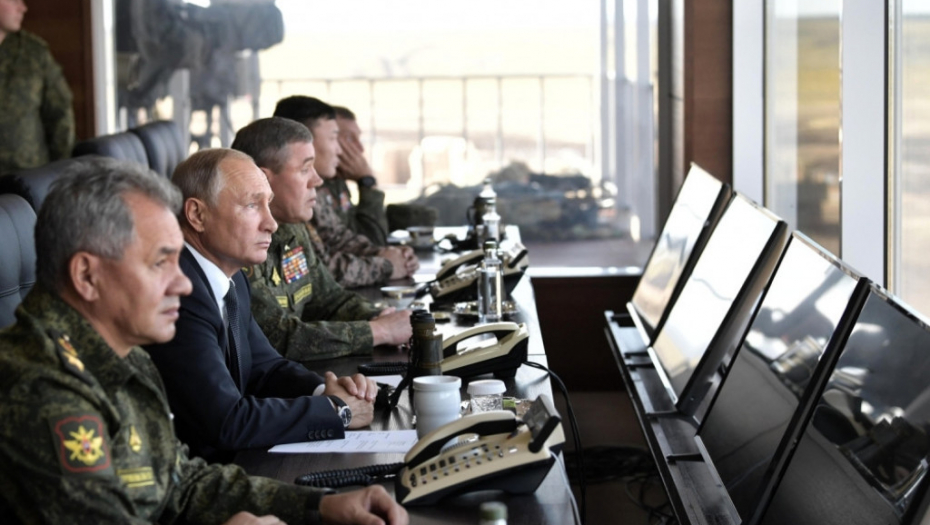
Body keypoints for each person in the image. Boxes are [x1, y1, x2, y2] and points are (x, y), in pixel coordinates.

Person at [0, 157, 407, 524]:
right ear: (88, 276)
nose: (182, 284)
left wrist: (319, 505)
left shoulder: (122, 355)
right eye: (160, 263)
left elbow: (181, 484)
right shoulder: (42, 389)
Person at [143, 148, 378, 464]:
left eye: (268, 204)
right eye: (252, 205)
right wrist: (335, 410)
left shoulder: (232, 276)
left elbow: (265, 368)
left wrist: (326, 390)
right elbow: (226, 421)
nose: (271, 224)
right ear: (197, 215)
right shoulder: (180, 291)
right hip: (199, 475)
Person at [230, 117, 412, 362]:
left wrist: (379, 316)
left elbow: (329, 299)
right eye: (305, 169)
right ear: (263, 179)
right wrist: (379, 331)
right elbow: (276, 337)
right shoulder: (237, 242)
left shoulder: (292, 228)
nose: (317, 180)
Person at [273, 95, 418, 288]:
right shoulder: (284, 195)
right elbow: (318, 272)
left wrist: (390, 254)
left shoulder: (317, 187)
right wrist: (386, 265)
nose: (340, 150)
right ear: (304, 141)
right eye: (334, 138)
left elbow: (339, 239)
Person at [0, 0, 75, 174]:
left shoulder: (33, 52)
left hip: (26, 175)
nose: (23, 8)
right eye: (14, 1)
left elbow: (60, 114)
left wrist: (60, 171)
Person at [329, 105, 390, 246]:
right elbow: (373, 241)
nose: (360, 148)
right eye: (350, 139)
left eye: (358, 138)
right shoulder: (316, 186)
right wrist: (367, 182)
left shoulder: (337, 182)